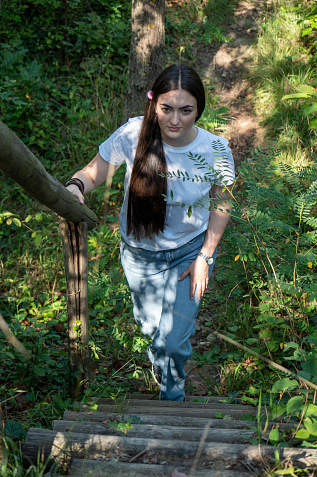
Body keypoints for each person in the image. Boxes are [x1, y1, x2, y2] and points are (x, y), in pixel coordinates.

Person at [65, 64, 235, 401]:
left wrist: (206, 255)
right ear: (153, 103)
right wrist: (74, 187)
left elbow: (223, 203)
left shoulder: (215, 149)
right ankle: (160, 361)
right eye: (166, 109)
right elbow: (92, 173)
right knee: (152, 330)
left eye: (186, 111)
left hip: (190, 252)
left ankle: (172, 394)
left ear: (199, 109)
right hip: (140, 254)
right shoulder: (133, 134)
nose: (175, 120)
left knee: (173, 340)